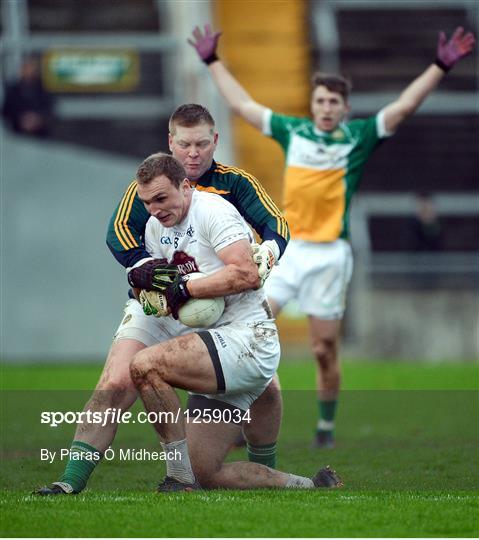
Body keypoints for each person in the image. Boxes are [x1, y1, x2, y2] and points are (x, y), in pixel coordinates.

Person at [188, 24, 476, 448]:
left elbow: (404, 105)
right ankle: (235, 422)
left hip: (330, 255)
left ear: (344, 108)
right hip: (286, 251)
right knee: (244, 329)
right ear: (313, 104)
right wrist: (212, 61)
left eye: (333, 102)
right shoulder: (294, 132)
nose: (325, 107)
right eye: (320, 100)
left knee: (323, 349)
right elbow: (243, 105)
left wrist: (440, 65)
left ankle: (325, 427)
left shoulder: (357, 139)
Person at [34, 105, 289, 496]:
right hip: (159, 301)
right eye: (184, 144)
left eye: (202, 143)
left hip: (222, 303)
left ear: (214, 142)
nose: (193, 153)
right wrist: (145, 268)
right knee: (117, 380)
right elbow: (118, 231)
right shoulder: (151, 188)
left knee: (265, 385)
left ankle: (262, 471)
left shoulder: (233, 187)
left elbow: (276, 224)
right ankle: (69, 481)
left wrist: (268, 250)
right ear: (171, 143)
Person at [125, 153, 343, 490]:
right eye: (147, 202)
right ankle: (311, 486)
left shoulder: (213, 211)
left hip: (247, 339)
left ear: (185, 186)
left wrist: (185, 288)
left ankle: (177, 478)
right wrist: (149, 294)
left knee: (144, 366)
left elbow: (247, 274)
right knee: (206, 472)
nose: (154, 209)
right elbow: (167, 290)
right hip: (216, 352)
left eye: (161, 198)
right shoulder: (155, 228)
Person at [2, 57, 54, 137]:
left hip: (40, 134)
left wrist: (37, 119)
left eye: (31, 68)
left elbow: (50, 109)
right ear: (21, 70)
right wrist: (21, 119)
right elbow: (6, 111)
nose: (29, 71)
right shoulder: (13, 90)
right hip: (16, 133)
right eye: (26, 68)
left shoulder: (44, 90)